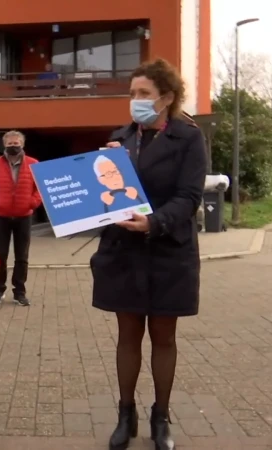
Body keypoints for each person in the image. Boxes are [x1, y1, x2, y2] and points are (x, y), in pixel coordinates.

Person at [90, 58, 206, 450]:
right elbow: (105, 197)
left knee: (163, 337)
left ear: (166, 98)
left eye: (144, 94)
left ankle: (161, 416)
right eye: (132, 94)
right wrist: (101, 167)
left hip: (168, 251)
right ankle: (126, 414)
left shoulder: (189, 138)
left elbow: (189, 197)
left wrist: (154, 222)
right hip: (124, 252)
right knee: (127, 336)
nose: (135, 101)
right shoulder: (119, 139)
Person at [0, 130, 41, 306]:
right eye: (10, 144)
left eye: (16, 143)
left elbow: (40, 188)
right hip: (0, 216)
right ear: (4, 145)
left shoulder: (33, 164)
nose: (13, 146)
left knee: (22, 256)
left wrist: (32, 203)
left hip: (23, 216)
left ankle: (19, 291)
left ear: (22, 144)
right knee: (0, 255)